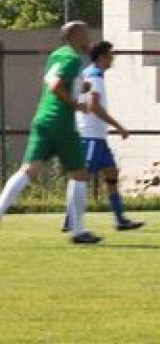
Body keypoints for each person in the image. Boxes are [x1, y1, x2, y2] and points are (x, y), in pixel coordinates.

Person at [0, 21, 105, 244]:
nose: (89, 38)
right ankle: (78, 232)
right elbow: (56, 86)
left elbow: (54, 79)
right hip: (62, 123)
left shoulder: (56, 55)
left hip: (42, 119)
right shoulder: (72, 58)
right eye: (86, 33)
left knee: (28, 170)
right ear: (75, 36)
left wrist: (80, 86)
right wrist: (76, 104)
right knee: (80, 174)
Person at [69, 41, 142, 233]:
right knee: (81, 177)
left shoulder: (90, 73)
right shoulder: (95, 77)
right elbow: (94, 106)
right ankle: (70, 220)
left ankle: (120, 220)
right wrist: (119, 127)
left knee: (111, 174)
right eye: (110, 55)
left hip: (96, 136)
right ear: (102, 57)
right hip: (91, 136)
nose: (112, 59)